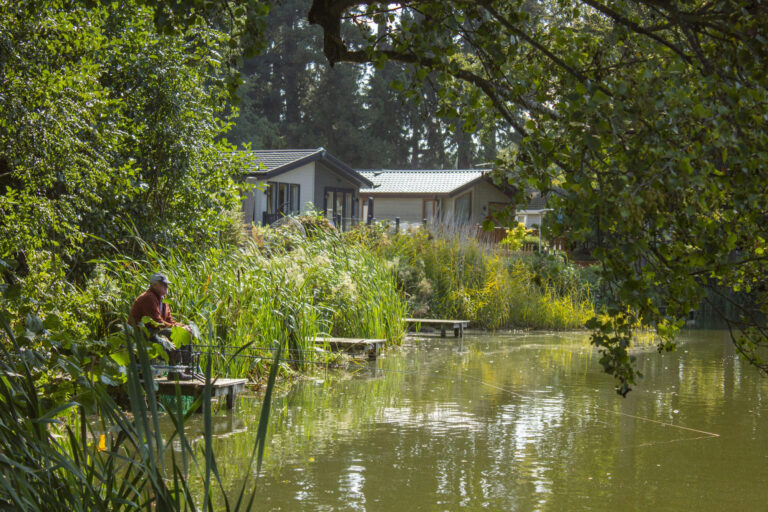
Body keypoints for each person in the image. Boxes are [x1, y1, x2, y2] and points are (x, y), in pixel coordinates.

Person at [130, 273, 194, 366]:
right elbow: (156, 323)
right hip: (141, 333)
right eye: (163, 284)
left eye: (167, 284)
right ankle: (175, 371)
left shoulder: (163, 300)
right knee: (172, 333)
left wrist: (184, 327)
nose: (166, 286)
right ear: (154, 285)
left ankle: (188, 367)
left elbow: (169, 320)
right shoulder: (148, 297)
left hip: (153, 331)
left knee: (185, 333)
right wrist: (178, 329)